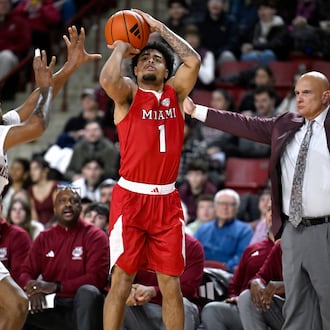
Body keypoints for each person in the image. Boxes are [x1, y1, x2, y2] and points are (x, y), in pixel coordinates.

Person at [183, 70, 330, 329]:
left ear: (326, 97)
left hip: (326, 228)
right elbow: (244, 124)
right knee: (297, 309)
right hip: (293, 231)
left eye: (306, 92)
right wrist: (197, 111)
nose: (299, 98)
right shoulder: (286, 123)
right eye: (296, 93)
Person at [99, 7, 201, 330]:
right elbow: (107, 79)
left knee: (171, 283)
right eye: (143, 59)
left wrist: (159, 28)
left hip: (167, 202)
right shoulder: (127, 94)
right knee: (122, 280)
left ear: (167, 69)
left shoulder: (176, 92)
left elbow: (193, 61)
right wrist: (120, 45)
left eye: (156, 59)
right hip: (131, 197)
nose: (149, 61)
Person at [0, 23, 101, 329]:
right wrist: (44, 87)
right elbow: (39, 125)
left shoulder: (3, 125)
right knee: (15, 306)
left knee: (15, 308)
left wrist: (69, 67)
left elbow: (32, 104)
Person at [19, 187, 110, 330]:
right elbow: (25, 271)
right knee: (18, 305)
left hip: (81, 304)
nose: (68, 204)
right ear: (55, 209)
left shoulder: (96, 236)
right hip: (52, 302)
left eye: (73, 201)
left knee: (88, 292)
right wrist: (33, 289)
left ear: (80, 208)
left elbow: (96, 278)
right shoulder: (44, 237)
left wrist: (56, 286)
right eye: (62, 201)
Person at [197, 198, 275, 330]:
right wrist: (233, 297)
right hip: (242, 306)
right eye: (268, 210)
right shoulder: (252, 249)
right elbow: (235, 283)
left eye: (275, 210)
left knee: (247, 297)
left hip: (273, 308)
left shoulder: (290, 248)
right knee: (211, 310)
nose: (272, 214)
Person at [122, 233, 204, 330]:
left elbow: (189, 289)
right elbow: (119, 277)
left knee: (182, 303)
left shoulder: (192, 246)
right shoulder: (136, 241)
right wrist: (129, 290)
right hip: (142, 306)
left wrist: (154, 291)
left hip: (176, 307)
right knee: (118, 299)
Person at [194, 188, 253, 272]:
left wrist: (222, 268)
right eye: (221, 203)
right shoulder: (203, 228)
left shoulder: (245, 230)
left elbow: (241, 257)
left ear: (237, 208)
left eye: (230, 204)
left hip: (227, 275)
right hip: (201, 272)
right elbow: (192, 252)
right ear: (215, 206)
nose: (225, 207)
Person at [238, 239, 284, 330]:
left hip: (309, 310)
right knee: (247, 297)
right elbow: (260, 276)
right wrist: (256, 282)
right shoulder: (281, 245)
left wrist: (286, 286)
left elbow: (318, 286)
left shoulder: (316, 244)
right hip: (284, 310)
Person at [27, 155, 58, 226]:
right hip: (39, 229)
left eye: (35, 169)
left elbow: (58, 212)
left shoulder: (55, 186)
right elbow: (33, 215)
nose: (32, 173)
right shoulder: (30, 190)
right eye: (31, 169)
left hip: (55, 225)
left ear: (45, 170)